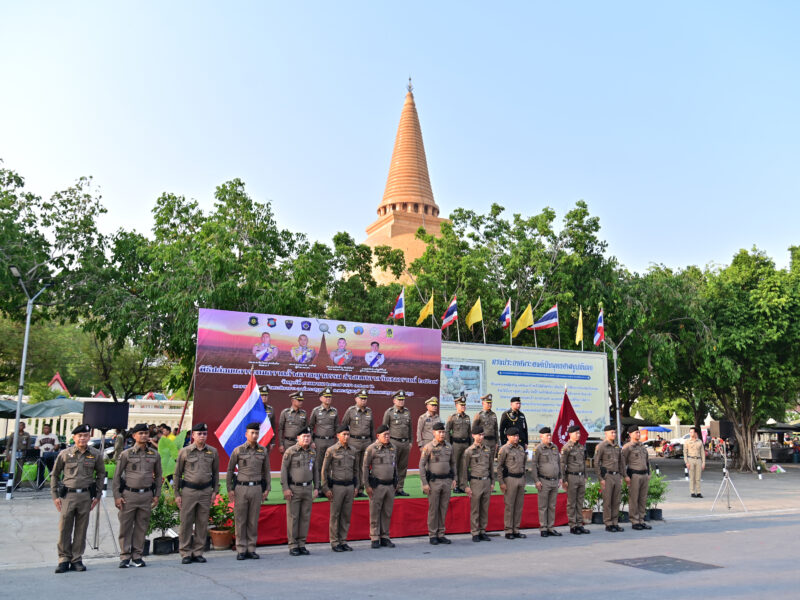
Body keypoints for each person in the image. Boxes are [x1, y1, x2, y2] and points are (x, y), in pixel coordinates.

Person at [50, 424, 104, 573]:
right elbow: (55, 475)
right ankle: (63, 559)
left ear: (89, 437)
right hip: (68, 495)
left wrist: (98, 495)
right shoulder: (65, 454)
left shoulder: (95, 454)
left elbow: (101, 474)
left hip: (86, 496)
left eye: (85, 436)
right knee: (64, 528)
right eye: (80, 436)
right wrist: (55, 496)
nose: (82, 438)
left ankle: (76, 559)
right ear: (74, 437)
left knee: (81, 528)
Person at [113, 423, 162, 568]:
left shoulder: (154, 454)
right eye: (140, 433)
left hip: (146, 495)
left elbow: (159, 476)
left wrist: (157, 494)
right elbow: (116, 477)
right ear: (134, 436)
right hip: (129, 495)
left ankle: (137, 556)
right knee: (125, 526)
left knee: (142, 526)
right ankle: (125, 556)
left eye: (146, 433)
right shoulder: (126, 454)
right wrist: (117, 496)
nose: (144, 436)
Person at [174, 422, 219, 564]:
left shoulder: (212, 452)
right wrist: (177, 494)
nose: (202, 436)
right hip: (189, 491)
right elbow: (177, 474)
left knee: (202, 522)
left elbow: (216, 473)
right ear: (193, 435)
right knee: (186, 522)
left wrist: (214, 491)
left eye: (205, 434)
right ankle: (185, 552)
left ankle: (198, 551)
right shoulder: (185, 452)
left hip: (205, 491)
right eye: (199, 434)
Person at [227, 422, 271, 560]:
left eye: (256, 433)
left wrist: (267, 488)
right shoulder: (238, 450)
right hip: (241, 488)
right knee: (241, 520)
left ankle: (251, 548)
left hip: (256, 488)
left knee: (253, 520)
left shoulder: (263, 451)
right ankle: (241, 549)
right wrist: (230, 488)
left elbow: (266, 471)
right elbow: (229, 470)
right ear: (246, 434)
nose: (254, 435)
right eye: (252, 433)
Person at [321, 424, 358, 552]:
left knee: (346, 515)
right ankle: (334, 542)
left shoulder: (353, 450)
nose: (346, 437)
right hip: (337, 487)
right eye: (344, 434)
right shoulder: (331, 450)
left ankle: (343, 540)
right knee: (335, 515)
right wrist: (325, 488)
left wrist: (357, 486)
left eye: (348, 434)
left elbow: (356, 470)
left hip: (349, 486)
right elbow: (324, 470)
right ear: (338, 436)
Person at [281, 427, 318, 556]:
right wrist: (285, 488)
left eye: (308, 436)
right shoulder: (290, 452)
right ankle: (293, 545)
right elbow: (284, 471)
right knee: (293, 517)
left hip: (308, 488)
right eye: (304, 436)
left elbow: (315, 471)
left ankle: (302, 544)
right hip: (294, 489)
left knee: (305, 517)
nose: (306, 438)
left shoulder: (312, 452)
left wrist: (316, 487)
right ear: (298, 438)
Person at [419, 422, 456, 545]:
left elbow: (453, 463)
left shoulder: (449, 447)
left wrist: (454, 478)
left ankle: (441, 533)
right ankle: (432, 534)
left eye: (443, 432)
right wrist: (424, 483)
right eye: (439, 432)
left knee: (443, 508)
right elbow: (421, 465)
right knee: (434, 509)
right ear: (434, 433)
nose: (442, 434)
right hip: (434, 482)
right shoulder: (428, 447)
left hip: (446, 481)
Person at [362, 424, 397, 549]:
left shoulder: (393, 448)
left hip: (389, 485)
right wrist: (366, 485)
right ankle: (375, 537)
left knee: (387, 512)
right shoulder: (372, 448)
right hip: (377, 486)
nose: (387, 437)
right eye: (385, 435)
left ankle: (385, 536)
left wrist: (395, 482)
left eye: (388, 435)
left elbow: (395, 466)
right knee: (375, 512)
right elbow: (365, 467)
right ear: (378, 436)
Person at [460, 424, 494, 542]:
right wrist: (465, 486)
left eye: (482, 434)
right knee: (475, 509)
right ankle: (475, 532)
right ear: (473, 435)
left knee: (485, 508)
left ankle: (482, 531)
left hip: (486, 481)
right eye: (478, 435)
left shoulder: (487, 449)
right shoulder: (469, 451)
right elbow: (464, 470)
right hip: (475, 482)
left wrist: (492, 482)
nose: (480, 437)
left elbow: (491, 467)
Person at [341, 389, 374, 497]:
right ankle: (353, 488)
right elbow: (344, 426)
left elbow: (372, 428)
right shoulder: (350, 411)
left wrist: (374, 443)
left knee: (364, 466)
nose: (364, 400)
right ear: (356, 399)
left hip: (367, 442)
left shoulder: (369, 411)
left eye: (365, 399)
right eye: (361, 398)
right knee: (353, 466)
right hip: (353, 441)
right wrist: (343, 442)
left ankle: (361, 489)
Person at [497, 426, 527, 539]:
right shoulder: (504, 449)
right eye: (514, 436)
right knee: (510, 505)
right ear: (508, 437)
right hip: (510, 479)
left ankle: (516, 529)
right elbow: (499, 467)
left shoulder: (520, 448)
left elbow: (523, 465)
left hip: (520, 479)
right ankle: (508, 530)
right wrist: (501, 482)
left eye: (517, 436)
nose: (516, 438)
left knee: (518, 506)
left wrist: (524, 479)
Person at [594, 425, 625, 532]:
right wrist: (600, 478)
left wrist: (621, 476)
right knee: (607, 501)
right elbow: (596, 463)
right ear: (606, 434)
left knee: (616, 501)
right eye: (611, 432)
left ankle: (615, 522)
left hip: (616, 476)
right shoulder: (601, 446)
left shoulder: (617, 446)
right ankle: (608, 523)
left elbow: (621, 462)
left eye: (614, 432)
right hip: (607, 476)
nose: (614, 434)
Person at [532, 426, 562, 537]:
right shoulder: (538, 449)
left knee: (552, 505)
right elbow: (534, 466)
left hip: (554, 481)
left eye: (550, 435)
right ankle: (543, 527)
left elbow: (559, 463)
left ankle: (550, 527)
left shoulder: (555, 448)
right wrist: (536, 480)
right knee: (543, 506)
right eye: (547, 436)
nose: (549, 437)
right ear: (541, 437)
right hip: (544, 481)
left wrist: (560, 477)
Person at [382, 390, 412, 496]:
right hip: (393, 442)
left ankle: (400, 488)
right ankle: (391, 488)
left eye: (403, 399)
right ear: (394, 400)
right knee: (391, 466)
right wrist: (385, 443)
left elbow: (410, 429)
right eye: (399, 399)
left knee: (402, 467)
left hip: (405, 443)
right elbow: (384, 428)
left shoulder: (407, 412)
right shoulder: (389, 412)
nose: (401, 401)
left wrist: (410, 442)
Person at [561, 425, 590, 534]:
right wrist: (564, 479)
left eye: (579, 433)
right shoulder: (566, 448)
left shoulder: (581, 447)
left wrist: (586, 476)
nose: (578, 435)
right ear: (570, 434)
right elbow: (562, 464)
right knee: (572, 502)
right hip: (571, 477)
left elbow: (584, 463)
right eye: (576, 433)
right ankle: (573, 525)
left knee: (580, 501)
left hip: (581, 476)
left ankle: (579, 524)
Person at [309, 387, 338, 494]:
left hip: (331, 441)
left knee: (330, 465)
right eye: (326, 397)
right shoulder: (316, 411)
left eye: (330, 397)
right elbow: (310, 427)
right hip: (319, 441)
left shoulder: (334, 411)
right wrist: (311, 441)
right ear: (321, 398)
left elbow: (336, 427)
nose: (328, 399)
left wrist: (337, 442)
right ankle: (318, 487)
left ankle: (328, 487)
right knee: (318, 465)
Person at [622, 426, 651, 530]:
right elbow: (622, 463)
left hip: (644, 475)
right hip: (634, 475)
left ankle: (641, 520)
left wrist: (649, 473)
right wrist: (625, 476)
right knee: (634, 499)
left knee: (643, 499)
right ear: (630, 434)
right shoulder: (627, 447)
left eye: (639, 432)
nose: (638, 434)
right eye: (636, 433)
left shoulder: (642, 446)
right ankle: (634, 521)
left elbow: (647, 461)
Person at [446, 393, 471, 493]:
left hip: (465, 444)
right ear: (457, 406)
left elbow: (470, 432)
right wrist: (448, 444)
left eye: (464, 405)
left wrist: (471, 445)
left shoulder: (467, 417)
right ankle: (455, 485)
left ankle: (463, 485)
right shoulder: (452, 417)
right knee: (455, 465)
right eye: (461, 405)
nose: (463, 407)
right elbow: (447, 431)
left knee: (464, 466)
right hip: (455, 444)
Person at [684, 426, 706, 498]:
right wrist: (686, 462)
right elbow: (685, 452)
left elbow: (702, 452)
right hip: (690, 460)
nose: (690, 433)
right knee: (692, 477)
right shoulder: (687, 441)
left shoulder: (699, 441)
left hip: (698, 460)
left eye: (692, 432)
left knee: (698, 477)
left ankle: (699, 492)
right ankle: (692, 492)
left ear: (695, 433)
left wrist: (703, 462)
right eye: (690, 432)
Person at [259, 385, 277, 454]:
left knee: (265, 460)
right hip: (255, 439)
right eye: (262, 396)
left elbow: (273, 427)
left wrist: (272, 442)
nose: (264, 397)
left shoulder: (271, 409)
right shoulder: (253, 409)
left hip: (266, 440)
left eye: (266, 396)